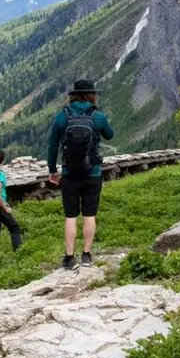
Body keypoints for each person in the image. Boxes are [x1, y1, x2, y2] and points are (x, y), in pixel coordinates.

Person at [47, 78, 115, 269]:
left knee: (70, 216)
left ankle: (69, 257)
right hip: (92, 173)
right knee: (89, 214)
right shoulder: (97, 116)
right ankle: (86, 255)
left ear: (73, 96)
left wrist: (52, 170)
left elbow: (52, 146)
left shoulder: (62, 117)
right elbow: (110, 135)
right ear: (92, 95)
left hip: (69, 174)